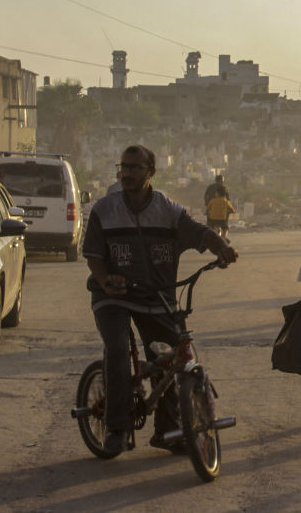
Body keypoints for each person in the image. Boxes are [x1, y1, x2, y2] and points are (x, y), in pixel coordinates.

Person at [83, 144, 238, 457]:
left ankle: (168, 430)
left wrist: (221, 247)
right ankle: (117, 428)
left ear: (151, 173)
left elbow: (200, 233)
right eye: (124, 167)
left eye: (135, 168)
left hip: (157, 296)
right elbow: (94, 256)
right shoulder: (104, 210)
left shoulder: (167, 210)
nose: (127, 173)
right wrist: (105, 280)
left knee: (170, 357)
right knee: (116, 348)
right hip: (113, 295)